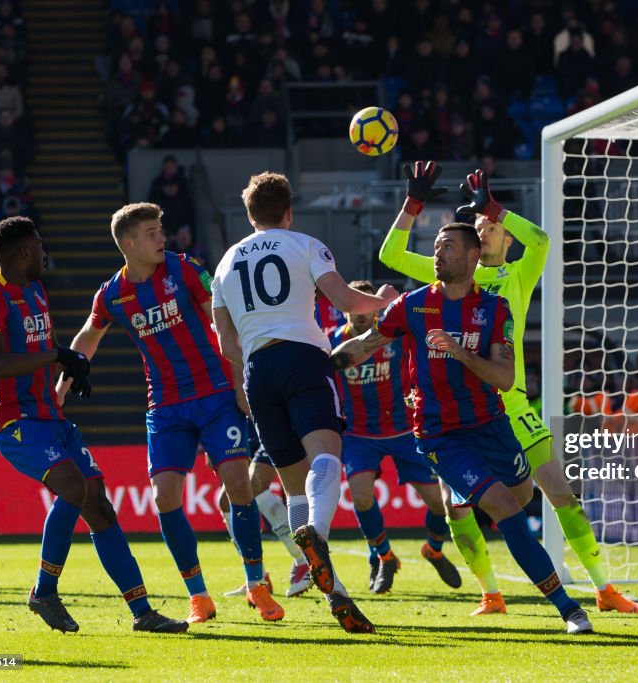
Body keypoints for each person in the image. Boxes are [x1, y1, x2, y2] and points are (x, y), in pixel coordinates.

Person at [379, 162, 638, 616]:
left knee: (560, 494)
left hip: (512, 405)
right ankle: (491, 593)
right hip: (457, 413)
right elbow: (393, 257)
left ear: (502, 236)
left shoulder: (518, 275)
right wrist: (412, 205)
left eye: (491, 226)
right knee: (455, 509)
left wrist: (496, 207)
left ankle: (604, 589)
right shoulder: (454, 275)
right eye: (479, 226)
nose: (484, 229)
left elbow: (540, 239)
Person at [332, 222, 593, 634]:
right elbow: (364, 346)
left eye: (448, 247)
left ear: (473, 256)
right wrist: (321, 366)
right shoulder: (412, 305)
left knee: (521, 498)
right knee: (505, 507)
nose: (438, 253)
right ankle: (568, 608)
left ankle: (469, 511)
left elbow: (505, 379)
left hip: (491, 425)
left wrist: (459, 352)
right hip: (439, 435)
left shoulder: (494, 309)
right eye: (436, 246)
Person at [55, 203, 283, 624]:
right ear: (129, 244)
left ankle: (256, 585)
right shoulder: (112, 294)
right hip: (165, 405)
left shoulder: (185, 269)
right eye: (151, 232)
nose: (162, 237)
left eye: (161, 229)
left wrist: (238, 382)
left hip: (215, 394)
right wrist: (64, 381)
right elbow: (88, 335)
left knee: (238, 483)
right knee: (164, 497)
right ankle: (198, 596)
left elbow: (222, 321)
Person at [0, 216, 187, 634]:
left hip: (51, 417)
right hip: (17, 422)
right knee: (72, 487)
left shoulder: (35, 290)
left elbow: (44, 352)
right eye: (38, 245)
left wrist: (70, 370)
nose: (44, 251)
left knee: (100, 507)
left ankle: (143, 612)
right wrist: (57, 356)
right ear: (22, 253)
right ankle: (44, 591)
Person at [211, 171, 397, 634]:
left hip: (258, 372)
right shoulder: (306, 245)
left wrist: (254, 357)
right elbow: (343, 299)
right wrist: (383, 303)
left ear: (251, 214)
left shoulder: (225, 262)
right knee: (326, 459)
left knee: (294, 487)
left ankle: (333, 590)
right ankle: (319, 538)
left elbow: (224, 342)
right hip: (304, 360)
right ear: (289, 212)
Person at [329, 280, 462, 594]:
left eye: (367, 308)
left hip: (404, 429)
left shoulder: (395, 335)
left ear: (377, 309)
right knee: (360, 496)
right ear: (343, 308)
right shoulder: (333, 343)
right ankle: (384, 555)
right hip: (359, 433)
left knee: (440, 505)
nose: (360, 315)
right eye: (353, 308)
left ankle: (433, 549)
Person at [216, 416, 312, 599]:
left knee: (255, 487)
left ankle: (304, 560)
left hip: (270, 425)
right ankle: (257, 577)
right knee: (226, 501)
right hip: (242, 432)